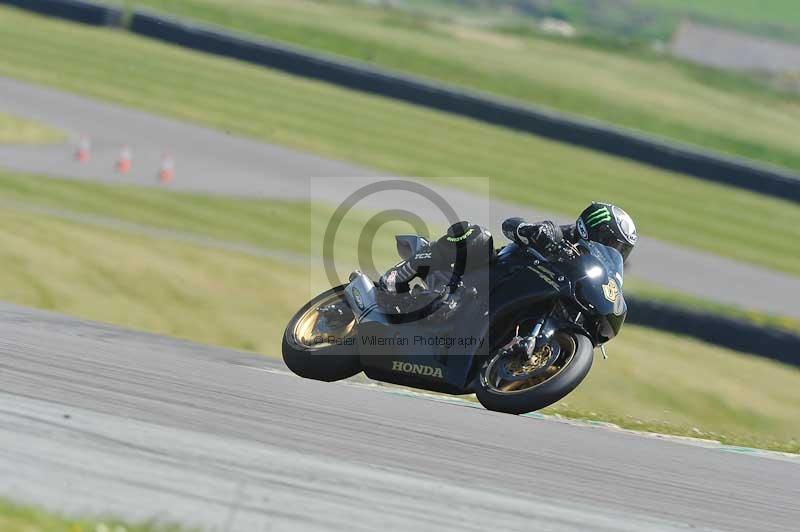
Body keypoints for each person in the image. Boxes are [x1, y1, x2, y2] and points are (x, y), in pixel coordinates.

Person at [380, 201, 637, 296]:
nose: (614, 251)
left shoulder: (591, 271)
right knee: (478, 236)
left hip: (525, 297)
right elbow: (510, 225)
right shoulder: (562, 234)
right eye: (612, 243)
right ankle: (408, 268)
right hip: (489, 276)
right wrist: (531, 231)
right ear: (594, 230)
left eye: (620, 249)